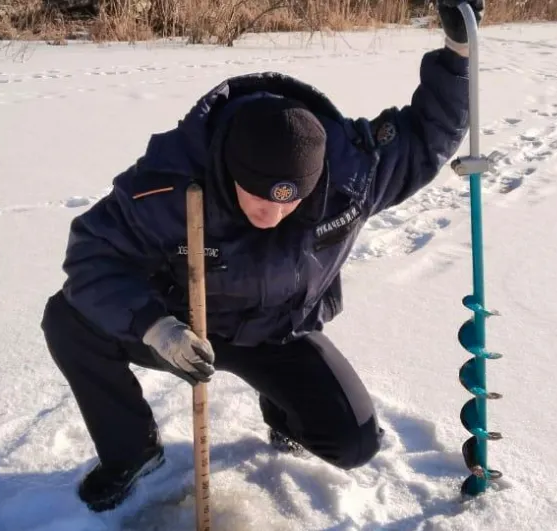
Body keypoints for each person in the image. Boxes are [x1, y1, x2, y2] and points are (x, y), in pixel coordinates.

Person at [41, 0, 484, 513]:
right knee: (67, 319)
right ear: (230, 169)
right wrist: (155, 328)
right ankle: (132, 452)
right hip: (185, 326)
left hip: (279, 332)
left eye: (290, 201)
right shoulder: (168, 184)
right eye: (256, 198)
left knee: (353, 444)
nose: (272, 215)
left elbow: (426, 137)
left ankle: (284, 410)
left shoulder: (352, 177)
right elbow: (92, 257)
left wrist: (457, 54)